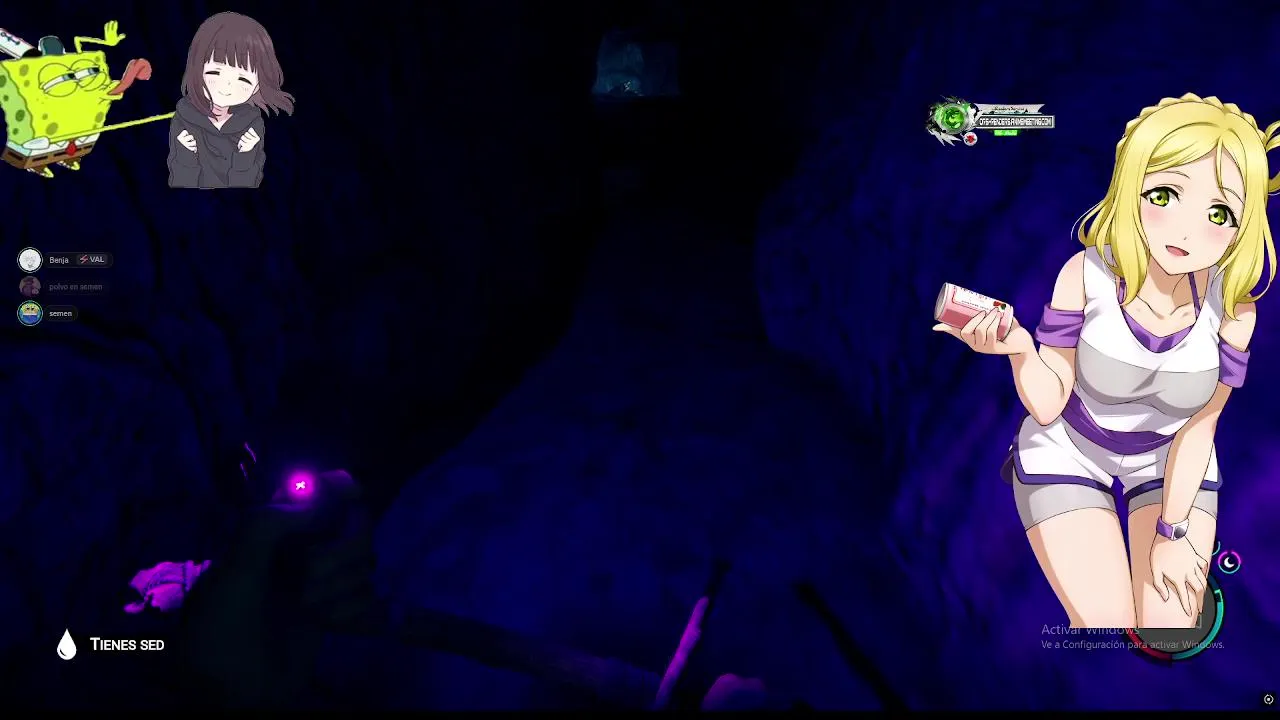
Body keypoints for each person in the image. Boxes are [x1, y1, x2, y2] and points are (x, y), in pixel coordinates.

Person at [934, 94, 1271, 629]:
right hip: (1070, 448)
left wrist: (1172, 532)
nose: (1186, 232)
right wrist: (1020, 351)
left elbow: (1201, 428)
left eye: (1218, 213)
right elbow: (1049, 404)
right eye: (1164, 195)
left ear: (1242, 227)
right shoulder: (1085, 275)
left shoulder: (1233, 311)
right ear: (1130, 187)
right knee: (1106, 626)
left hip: (1169, 463)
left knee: (1169, 631)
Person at [167, 12, 294, 189]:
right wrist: (187, 154)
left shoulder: (252, 123)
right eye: (214, 72)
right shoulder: (184, 118)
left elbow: (249, 186)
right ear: (196, 69)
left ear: (258, 85)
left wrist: (246, 154)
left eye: (243, 79)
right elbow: (180, 183)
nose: (226, 87)